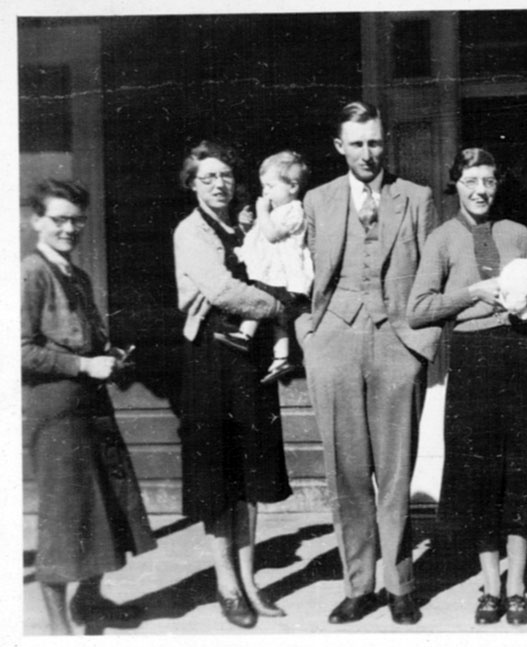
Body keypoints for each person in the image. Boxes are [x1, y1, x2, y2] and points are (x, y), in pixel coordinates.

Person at [295, 101, 439, 626]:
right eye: (356, 143)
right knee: (347, 473)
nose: (367, 153)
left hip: (397, 344)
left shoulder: (416, 198)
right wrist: (309, 337)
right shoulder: (318, 200)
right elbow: (298, 273)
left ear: (386, 142)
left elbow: (433, 276)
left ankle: (400, 586)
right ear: (340, 147)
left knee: (395, 473)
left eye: (374, 142)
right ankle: (359, 585)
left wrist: (421, 345)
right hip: (334, 341)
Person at [407, 148, 527, 626]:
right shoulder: (442, 239)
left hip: (520, 355)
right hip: (473, 359)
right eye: (471, 181)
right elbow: (418, 309)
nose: (481, 190)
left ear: (498, 185)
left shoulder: (516, 232)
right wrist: (471, 293)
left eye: (489, 181)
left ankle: (517, 586)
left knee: (520, 472)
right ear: (456, 184)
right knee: (479, 475)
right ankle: (491, 585)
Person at [21, 178, 156, 635]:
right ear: (36, 220)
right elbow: (18, 350)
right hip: (56, 410)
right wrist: (83, 364)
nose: (69, 229)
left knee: (105, 506)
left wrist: (108, 356)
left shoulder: (76, 275)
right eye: (59, 219)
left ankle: (90, 601)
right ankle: (60, 630)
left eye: (77, 221)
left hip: (89, 404)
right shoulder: (31, 272)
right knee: (64, 516)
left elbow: (83, 338)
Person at [173, 140, 293, 629]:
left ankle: (250, 580)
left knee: (251, 474)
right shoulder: (191, 231)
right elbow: (221, 289)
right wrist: (278, 306)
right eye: (208, 177)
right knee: (218, 478)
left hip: (250, 359)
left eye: (225, 175)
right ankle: (227, 585)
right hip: (210, 360)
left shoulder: (243, 226)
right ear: (192, 184)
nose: (219, 184)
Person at [215, 150, 314, 385]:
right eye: (263, 186)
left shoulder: (294, 210)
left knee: (261, 299)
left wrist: (262, 212)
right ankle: (281, 358)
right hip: (276, 275)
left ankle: (245, 334)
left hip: (285, 278)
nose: (265, 192)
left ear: (292, 187)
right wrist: (247, 229)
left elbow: (271, 235)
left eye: (270, 186)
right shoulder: (277, 211)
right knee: (279, 318)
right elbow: (259, 239)